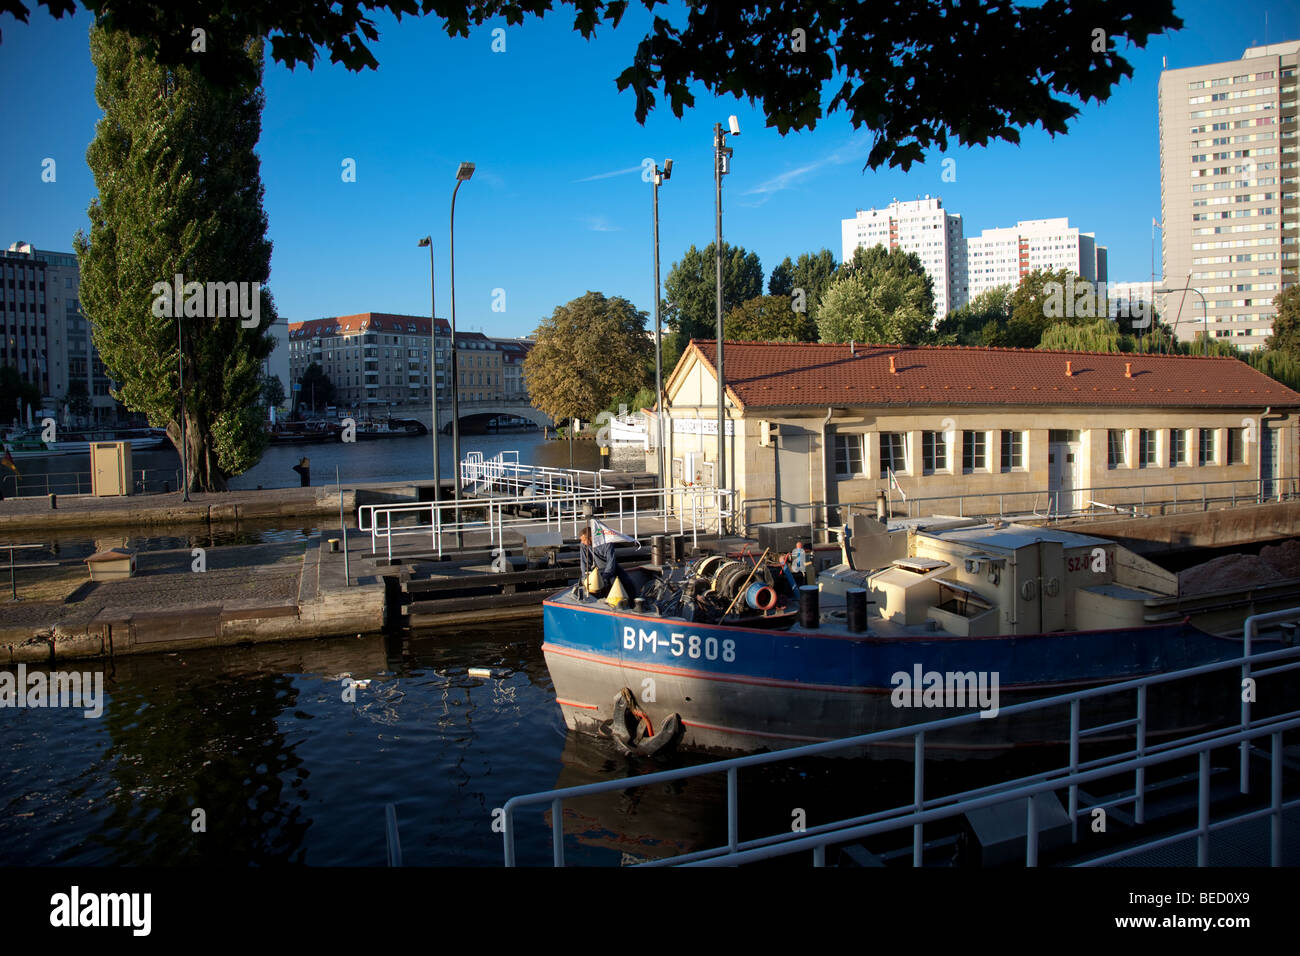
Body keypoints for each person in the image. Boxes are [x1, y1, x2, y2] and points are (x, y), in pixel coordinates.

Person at [578, 527, 633, 602]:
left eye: (584, 540)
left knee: (627, 582)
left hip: (610, 570)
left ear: (591, 538)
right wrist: (585, 578)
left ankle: (630, 601)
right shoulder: (583, 545)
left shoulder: (607, 543)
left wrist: (605, 577)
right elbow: (584, 562)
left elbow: (611, 561)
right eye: (582, 540)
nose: (582, 542)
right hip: (597, 570)